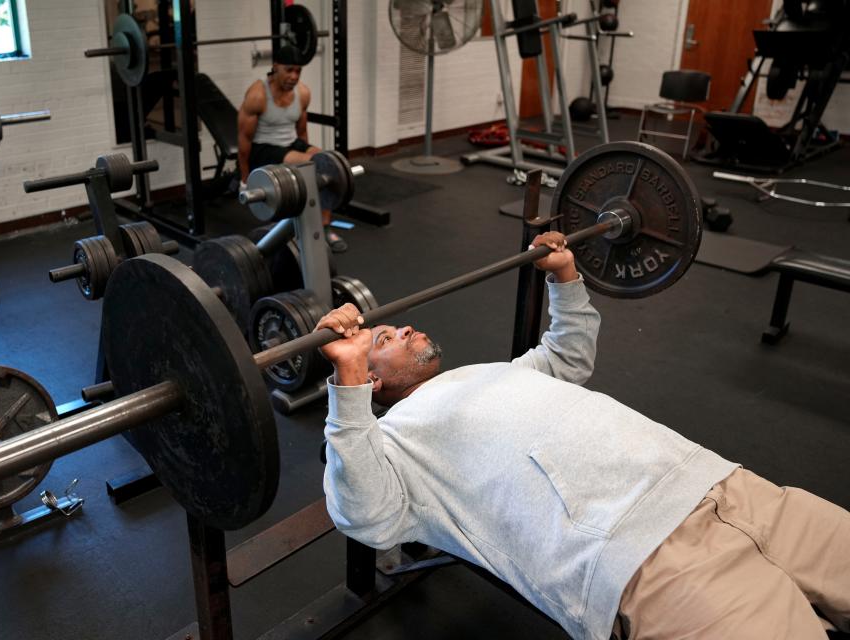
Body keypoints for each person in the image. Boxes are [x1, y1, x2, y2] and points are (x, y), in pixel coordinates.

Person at [317, 231, 850, 640]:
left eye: (396, 326)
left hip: (729, 488)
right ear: (371, 378)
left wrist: (566, 276)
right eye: (385, 338)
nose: (405, 328)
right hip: (653, 563)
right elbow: (365, 517)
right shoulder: (391, 445)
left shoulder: (489, 373)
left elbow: (567, 357)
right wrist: (347, 386)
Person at [237, 44, 347, 253]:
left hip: (290, 144)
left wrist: (307, 151)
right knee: (312, 165)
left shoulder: (303, 93)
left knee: (327, 162)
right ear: (275, 67)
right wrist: (244, 180)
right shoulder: (257, 95)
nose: (294, 76)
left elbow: (302, 131)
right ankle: (300, 228)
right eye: (289, 70)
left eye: (298, 71)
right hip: (264, 148)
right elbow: (244, 142)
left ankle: (324, 227)